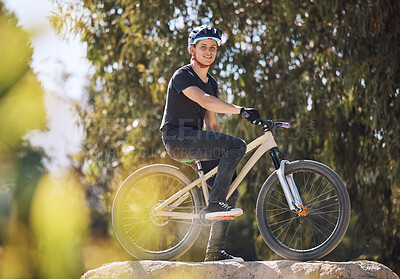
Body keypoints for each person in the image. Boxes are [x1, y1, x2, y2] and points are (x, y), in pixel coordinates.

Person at [159, 25, 261, 262]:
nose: (209, 51)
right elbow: (205, 100)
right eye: (203, 47)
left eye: (213, 48)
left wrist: (221, 151)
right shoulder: (183, 75)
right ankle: (214, 204)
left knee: (230, 187)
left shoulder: (211, 82)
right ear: (192, 49)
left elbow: (212, 125)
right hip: (178, 138)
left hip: (197, 139)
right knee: (237, 145)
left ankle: (214, 252)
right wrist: (241, 111)